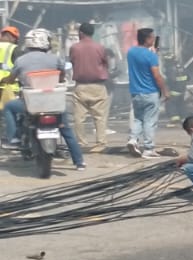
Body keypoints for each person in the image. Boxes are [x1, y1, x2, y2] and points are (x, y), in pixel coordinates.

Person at [2, 29, 86, 170]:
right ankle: (79, 162)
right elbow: (62, 75)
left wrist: (6, 80)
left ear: (28, 43)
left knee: (9, 107)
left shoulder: (21, 60)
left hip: (30, 104)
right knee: (66, 131)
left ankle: (14, 139)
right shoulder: (55, 59)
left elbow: (11, 78)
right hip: (53, 103)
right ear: (46, 43)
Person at [67, 23, 112, 151]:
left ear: (81, 33)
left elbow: (73, 61)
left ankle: (82, 143)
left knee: (79, 118)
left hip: (81, 87)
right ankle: (100, 143)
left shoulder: (74, 48)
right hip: (98, 86)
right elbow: (106, 63)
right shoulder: (100, 47)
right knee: (99, 117)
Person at [125, 27, 168, 157]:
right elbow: (156, 75)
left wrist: (152, 53)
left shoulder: (130, 52)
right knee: (150, 121)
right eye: (152, 37)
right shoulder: (151, 56)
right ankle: (148, 148)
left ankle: (133, 139)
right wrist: (165, 90)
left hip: (136, 92)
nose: (154, 39)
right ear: (147, 39)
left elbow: (141, 60)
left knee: (138, 118)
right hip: (150, 92)